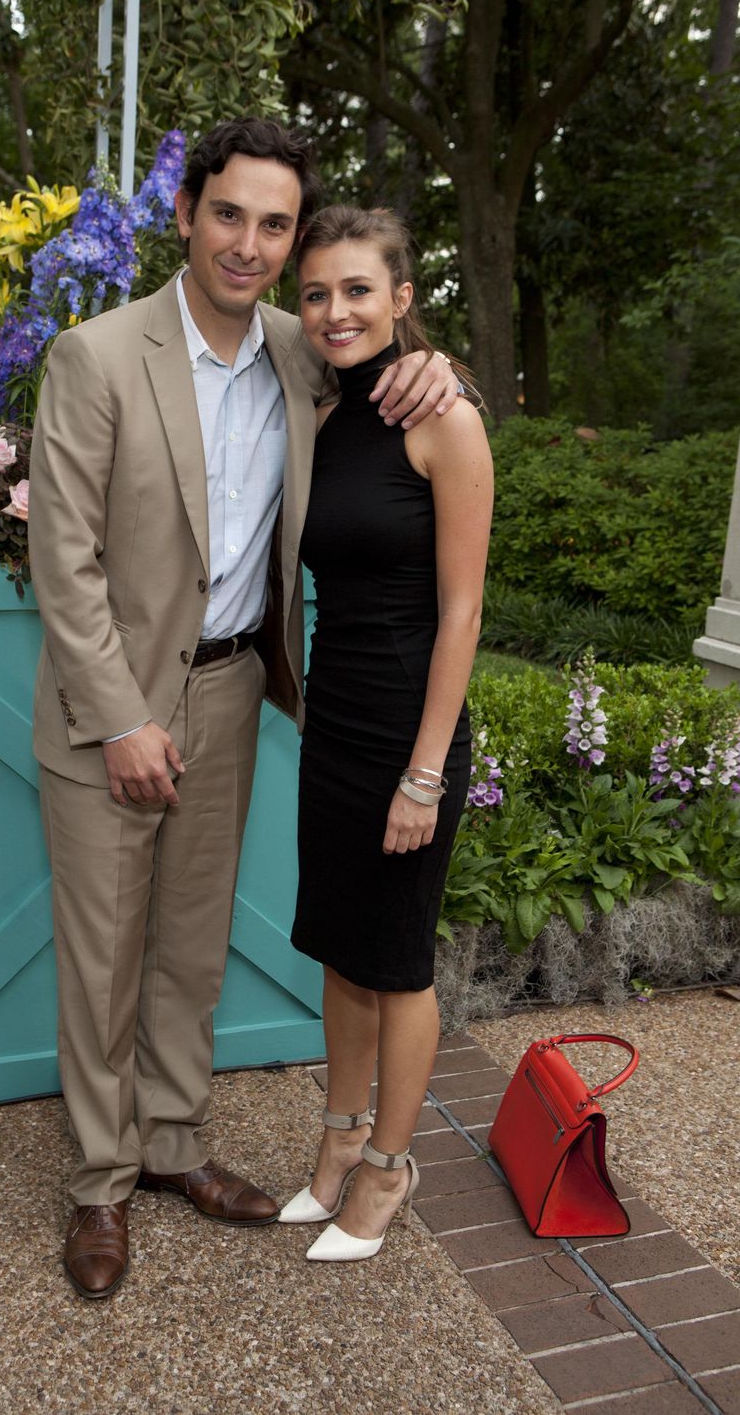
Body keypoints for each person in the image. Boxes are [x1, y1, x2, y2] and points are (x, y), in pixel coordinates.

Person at [27, 121, 462, 1300]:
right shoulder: (96, 355)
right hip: (111, 703)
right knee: (103, 955)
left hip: (232, 690)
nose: (250, 243)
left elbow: (392, 373)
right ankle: (99, 1186)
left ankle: (173, 1149)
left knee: (186, 951)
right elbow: (59, 562)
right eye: (230, 214)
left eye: (275, 224)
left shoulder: (297, 350)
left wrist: (444, 368)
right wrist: (119, 717)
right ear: (184, 214)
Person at [278, 205, 493, 1262]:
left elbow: (462, 612)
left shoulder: (441, 416)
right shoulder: (322, 413)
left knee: (397, 961)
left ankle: (387, 1167)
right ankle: (334, 1139)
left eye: (358, 290)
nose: (334, 310)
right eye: (315, 292)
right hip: (336, 717)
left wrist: (422, 774)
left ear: (400, 299)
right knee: (339, 946)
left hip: (412, 730)